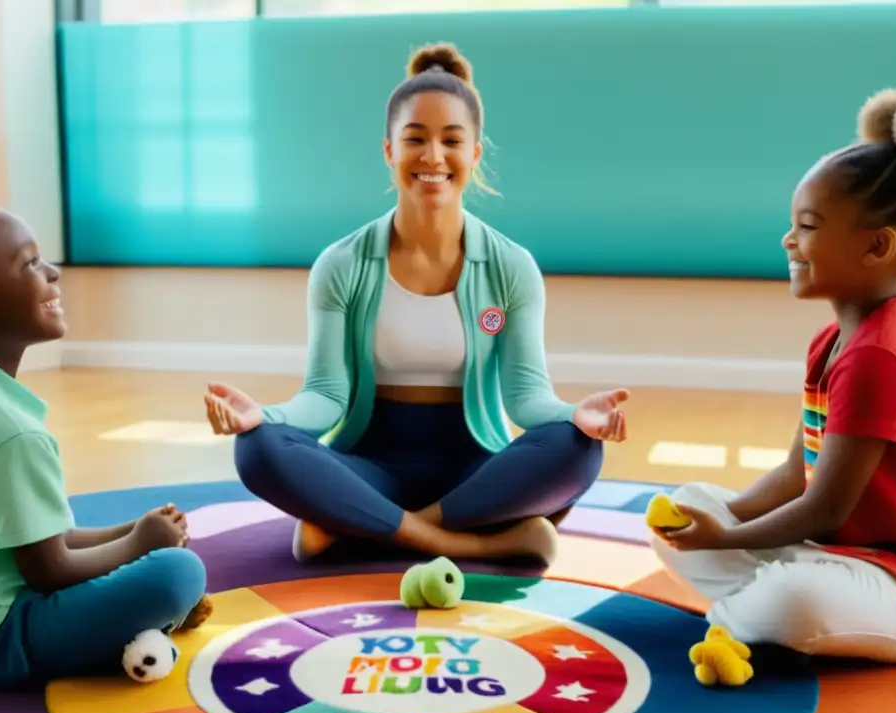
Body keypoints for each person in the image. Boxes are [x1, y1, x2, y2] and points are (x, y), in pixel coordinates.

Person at [204, 42, 629, 564]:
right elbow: (325, 396)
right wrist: (264, 416)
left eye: (452, 140)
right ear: (389, 151)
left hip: (472, 466)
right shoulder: (342, 265)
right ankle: (467, 539)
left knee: (578, 447)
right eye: (415, 139)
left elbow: (526, 398)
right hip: (368, 464)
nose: (432, 157)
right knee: (258, 449)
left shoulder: (511, 267)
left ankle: (357, 525)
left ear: (474, 153)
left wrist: (574, 414)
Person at [649, 85, 896, 683]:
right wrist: (719, 521)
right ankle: (752, 616)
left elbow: (824, 506)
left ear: (876, 246)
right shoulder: (834, 342)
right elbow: (798, 473)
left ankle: (747, 620)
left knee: (796, 598)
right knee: (688, 507)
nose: (789, 240)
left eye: (808, 226)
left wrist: (728, 538)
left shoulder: (882, 358)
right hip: (842, 557)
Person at [0, 185, 210, 692]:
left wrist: (131, 530)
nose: (53, 273)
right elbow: (50, 570)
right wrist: (140, 546)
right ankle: (113, 640)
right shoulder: (8, 431)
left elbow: (36, 543)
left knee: (146, 558)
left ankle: (114, 627)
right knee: (177, 573)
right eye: (29, 264)